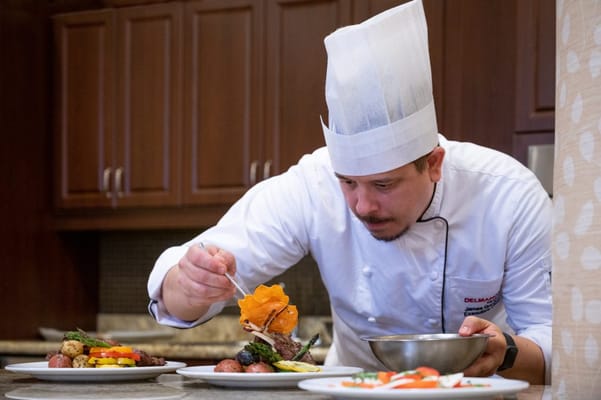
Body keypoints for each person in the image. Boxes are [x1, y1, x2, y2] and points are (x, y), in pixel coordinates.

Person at [147, 0, 551, 385]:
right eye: (348, 182)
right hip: (352, 391)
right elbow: (180, 290)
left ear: (434, 164)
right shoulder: (312, 184)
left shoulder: (509, 196)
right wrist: (190, 284)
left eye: (384, 185)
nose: (362, 205)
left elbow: (553, 344)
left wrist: (508, 351)